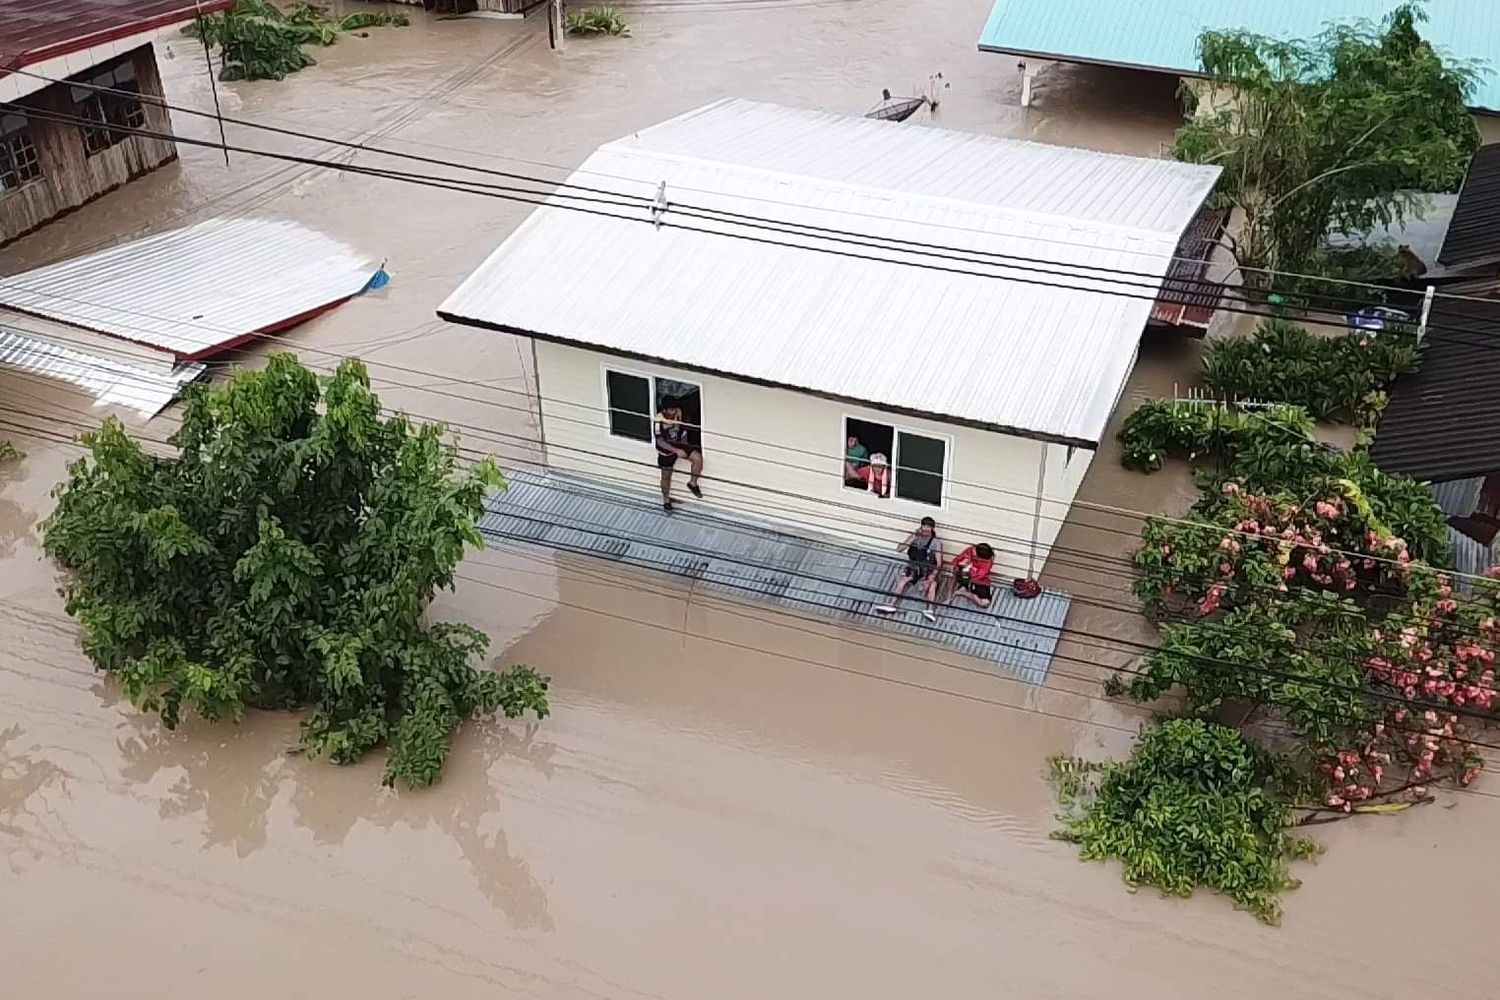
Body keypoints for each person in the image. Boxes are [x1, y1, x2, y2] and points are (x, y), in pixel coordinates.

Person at [875, 516, 941, 622]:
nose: (925, 529)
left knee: (933, 585)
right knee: (902, 581)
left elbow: (939, 562)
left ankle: (929, 610)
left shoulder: (936, 542)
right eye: (924, 526)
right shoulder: (915, 536)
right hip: (913, 567)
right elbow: (899, 549)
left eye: (928, 527)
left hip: (927, 569)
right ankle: (891, 604)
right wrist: (913, 538)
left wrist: (932, 576)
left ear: (932, 529)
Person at [655, 397, 703, 512]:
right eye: (671, 410)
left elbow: (684, 426)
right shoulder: (658, 420)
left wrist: (683, 443)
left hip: (679, 443)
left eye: (675, 409)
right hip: (666, 450)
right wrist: (676, 450)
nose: (674, 412)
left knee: (697, 458)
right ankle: (666, 500)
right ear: (664, 410)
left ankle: (693, 483)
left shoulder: (678, 413)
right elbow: (660, 441)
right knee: (666, 476)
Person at [950, 542, 996, 609]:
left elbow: (979, 576)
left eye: (975, 550)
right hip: (965, 576)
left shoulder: (987, 562)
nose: (973, 549)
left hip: (980, 581)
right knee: (955, 570)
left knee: (985, 603)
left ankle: (965, 592)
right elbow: (957, 559)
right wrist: (958, 564)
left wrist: (969, 567)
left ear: (979, 556)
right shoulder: (970, 550)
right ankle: (951, 595)